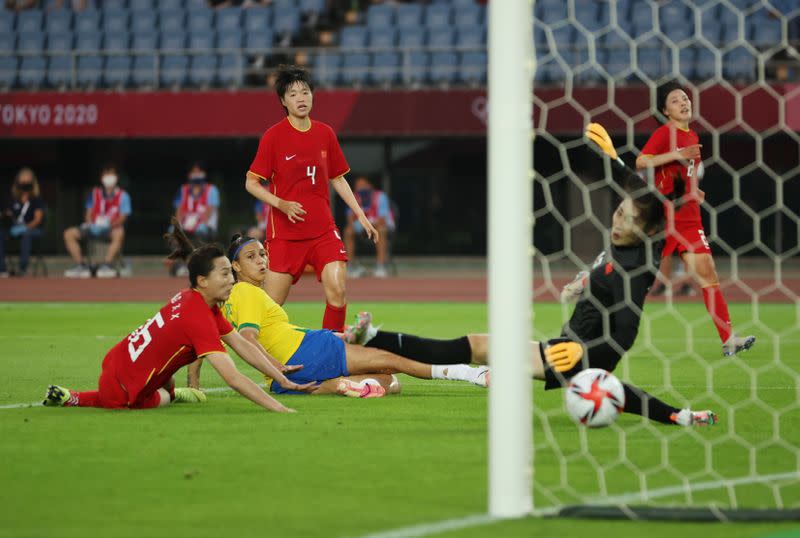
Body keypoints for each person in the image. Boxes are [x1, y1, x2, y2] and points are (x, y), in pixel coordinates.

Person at [342, 126, 717, 426]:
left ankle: (375, 336)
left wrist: (583, 354)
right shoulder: (641, 219)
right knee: (610, 389)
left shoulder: (635, 270)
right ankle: (681, 416)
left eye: (627, 221)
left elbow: (625, 334)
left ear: (648, 231)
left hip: (577, 355)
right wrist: (613, 159)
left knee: (475, 345)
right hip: (569, 344)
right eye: (618, 214)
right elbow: (638, 192)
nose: (617, 223)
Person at [43, 219, 314, 412]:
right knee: (160, 397)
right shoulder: (197, 316)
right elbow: (232, 377)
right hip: (124, 389)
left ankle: (75, 396)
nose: (231, 279)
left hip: (117, 362)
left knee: (167, 373)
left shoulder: (194, 300)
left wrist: (281, 378)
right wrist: (278, 407)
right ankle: (75, 397)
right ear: (202, 281)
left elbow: (242, 344)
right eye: (224, 274)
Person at [185, 233, 490, 398]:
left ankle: (347, 385)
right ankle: (473, 373)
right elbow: (249, 338)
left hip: (284, 379)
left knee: (389, 381)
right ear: (236, 268)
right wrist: (279, 366)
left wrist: (193, 381)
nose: (262, 261)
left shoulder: (225, 302)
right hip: (307, 352)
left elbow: (207, 342)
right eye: (251, 257)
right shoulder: (247, 293)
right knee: (394, 356)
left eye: (263, 253)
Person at [244, 65, 378, 332]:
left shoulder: (325, 133)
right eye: (293, 94)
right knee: (270, 307)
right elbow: (251, 183)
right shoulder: (273, 136)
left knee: (338, 290)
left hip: (323, 231)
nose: (301, 98)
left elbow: (338, 178)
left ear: (313, 96)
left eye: (305, 92)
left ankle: (332, 354)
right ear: (283, 101)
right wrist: (281, 203)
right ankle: (259, 358)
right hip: (285, 234)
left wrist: (362, 216)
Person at [636, 81, 755, 357]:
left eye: (686, 98)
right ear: (665, 110)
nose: (684, 102)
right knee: (633, 276)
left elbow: (680, 176)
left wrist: (694, 191)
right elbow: (642, 162)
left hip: (689, 221)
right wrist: (675, 154)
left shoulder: (691, 136)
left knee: (708, 276)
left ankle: (729, 340)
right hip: (664, 220)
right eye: (676, 100)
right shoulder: (666, 133)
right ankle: (587, 285)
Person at [64, 165, 131, 279]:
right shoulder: (95, 193)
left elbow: (123, 217)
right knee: (69, 233)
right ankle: (81, 266)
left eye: (111, 175)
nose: (109, 178)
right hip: (93, 227)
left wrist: (109, 225)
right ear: (101, 178)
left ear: (116, 178)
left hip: (110, 228)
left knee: (119, 232)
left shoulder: (123, 195)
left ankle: (107, 265)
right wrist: (90, 223)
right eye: (106, 175)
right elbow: (88, 213)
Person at [170, 162, 220, 277]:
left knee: (199, 233)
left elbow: (209, 212)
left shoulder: (211, 190)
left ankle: (198, 265)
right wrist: (179, 226)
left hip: (205, 225)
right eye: (194, 172)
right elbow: (179, 210)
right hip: (187, 223)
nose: (196, 174)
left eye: (199, 171)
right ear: (189, 174)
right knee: (175, 233)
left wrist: (196, 224)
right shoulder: (183, 190)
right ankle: (182, 265)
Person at [344, 176, 396, 278]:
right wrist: (357, 225)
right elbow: (349, 218)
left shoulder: (380, 196)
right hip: (362, 228)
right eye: (358, 186)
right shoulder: (354, 197)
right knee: (348, 231)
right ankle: (351, 267)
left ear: (370, 186)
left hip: (379, 227)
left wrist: (368, 226)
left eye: (362, 185)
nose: (360, 188)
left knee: (381, 230)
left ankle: (380, 267)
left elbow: (382, 219)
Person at [0, 167, 45, 278]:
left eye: (27, 181)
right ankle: (2, 269)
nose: (24, 184)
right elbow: (8, 214)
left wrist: (25, 227)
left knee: (26, 234)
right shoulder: (13, 199)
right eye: (22, 181)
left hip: (33, 229)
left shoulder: (37, 199)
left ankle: (22, 268)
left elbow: (37, 220)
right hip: (14, 228)